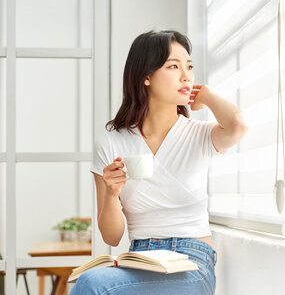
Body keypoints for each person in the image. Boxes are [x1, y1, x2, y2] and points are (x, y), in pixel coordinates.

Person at [70, 30, 248, 294]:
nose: (186, 75)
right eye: (173, 66)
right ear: (146, 76)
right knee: (91, 281)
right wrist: (111, 193)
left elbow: (237, 125)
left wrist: (207, 96)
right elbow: (111, 236)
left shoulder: (199, 135)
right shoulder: (111, 144)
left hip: (191, 262)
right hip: (139, 261)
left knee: (92, 285)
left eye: (189, 67)